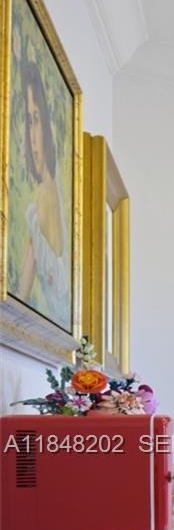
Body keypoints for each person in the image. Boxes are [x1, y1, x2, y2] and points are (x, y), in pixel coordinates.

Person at [8, 57, 69, 327]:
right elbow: (20, 295)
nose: (32, 134)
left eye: (36, 120)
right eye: (28, 121)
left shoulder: (48, 199)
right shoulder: (47, 196)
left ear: (47, 125)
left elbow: (20, 293)